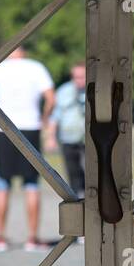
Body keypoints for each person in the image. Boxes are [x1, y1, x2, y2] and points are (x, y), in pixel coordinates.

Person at [0, 45, 54, 252]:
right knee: (31, 184)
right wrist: (44, 118)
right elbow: (51, 98)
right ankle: (32, 238)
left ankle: (0, 238)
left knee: (2, 183)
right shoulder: (36, 67)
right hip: (30, 128)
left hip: (3, 129)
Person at [47, 63, 87, 198]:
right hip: (68, 139)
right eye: (76, 77)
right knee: (73, 173)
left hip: (90, 140)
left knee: (92, 174)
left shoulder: (96, 91)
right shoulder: (64, 91)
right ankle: (77, 203)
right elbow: (55, 117)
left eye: (82, 77)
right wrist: (51, 138)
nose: (79, 80)